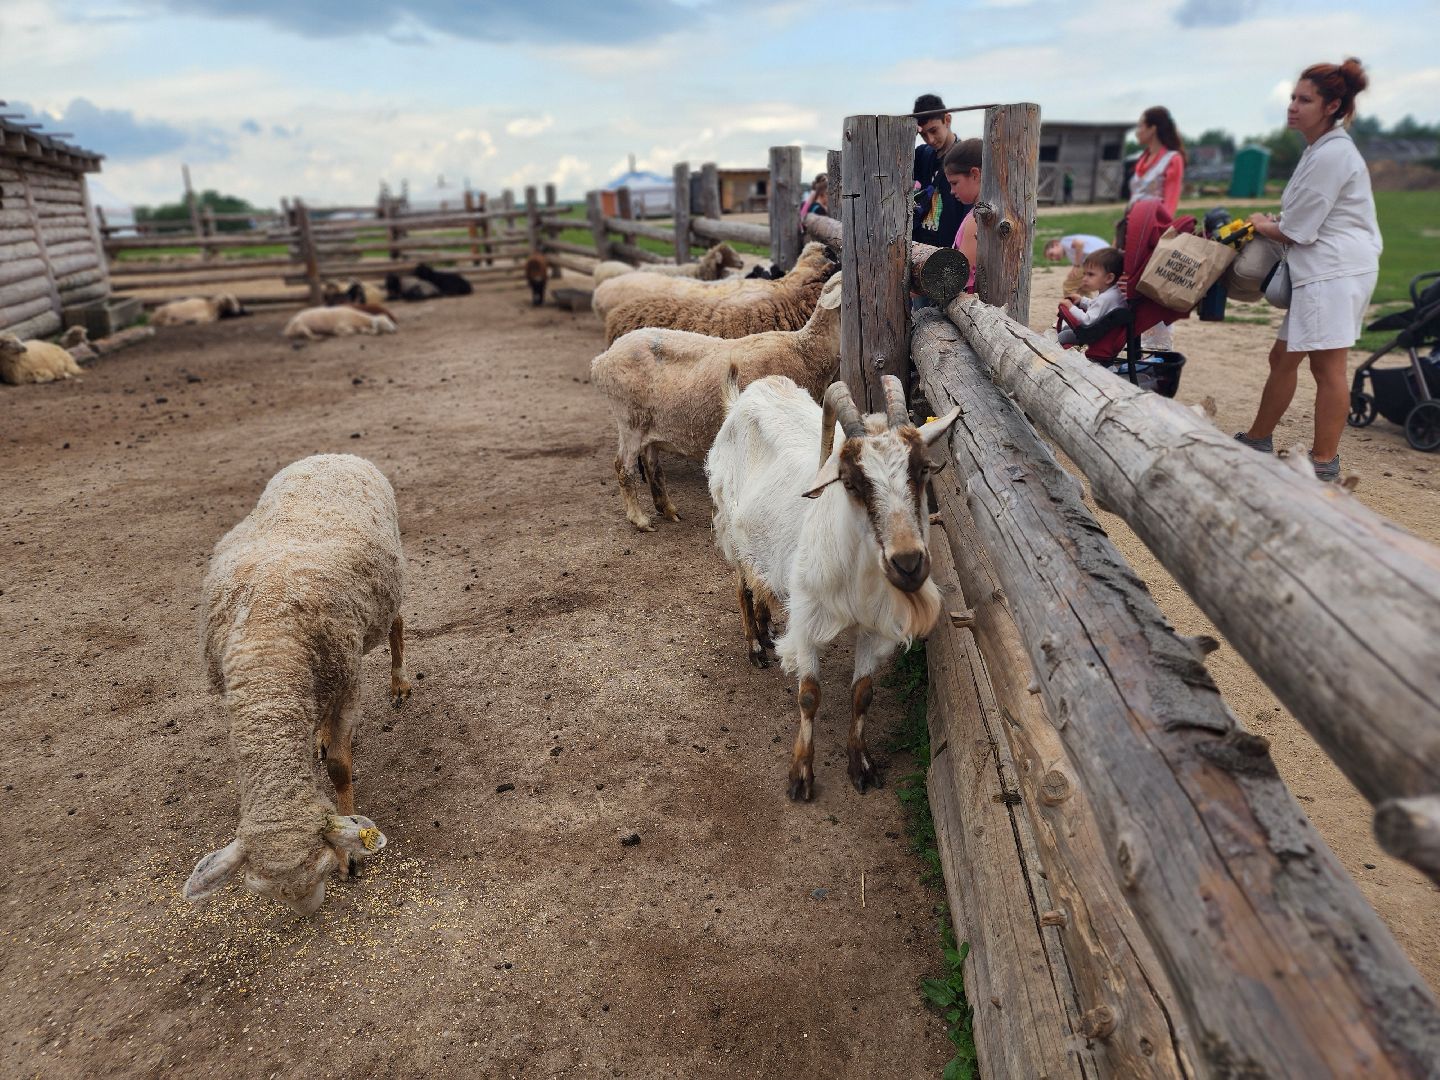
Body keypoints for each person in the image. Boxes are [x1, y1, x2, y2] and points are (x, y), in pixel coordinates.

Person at [1235, 58, 1381, 482]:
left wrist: (1263, 224)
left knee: (1328, 367)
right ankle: (1259, 439)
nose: (1293, 106)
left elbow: (1298, 229)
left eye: (1305, 99)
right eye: (1293, 98)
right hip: (1323, 269)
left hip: (1336, 271)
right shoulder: (1318, 149)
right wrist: (1274, 220)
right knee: (1282, 357)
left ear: (1333, 105)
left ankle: (1323, 464)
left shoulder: (1333, 154)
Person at [1125, 107, 1186, 350]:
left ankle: (1157, 351)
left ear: (1153, 129)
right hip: (1131, 231)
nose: (1138, 131)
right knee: (1127, 289)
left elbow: (1169, 204)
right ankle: (1132, 346)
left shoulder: (1172, 159)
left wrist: (1159, 237)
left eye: (1141, 126)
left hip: (1153, 234)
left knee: (1153, 292)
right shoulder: (1142, 160)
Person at [911, 94, 968, 247]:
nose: (930, 139)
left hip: (948, 249)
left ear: (947, 120)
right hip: (919, 246)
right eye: (923, 134)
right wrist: (907, 132)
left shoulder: (965, 158)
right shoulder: (922, 154)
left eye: (934, 130)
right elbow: (894, 164)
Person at [1057, 248, 1125, 346]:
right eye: (1084, 274)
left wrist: (1070, 307)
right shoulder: (1112, 292)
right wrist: (1082, 300)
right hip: (1105, 331)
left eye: (1090, 275)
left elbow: (1087, 321)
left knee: (1062, 336)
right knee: (1066, 329)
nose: (1084, 279)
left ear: (1109, 278)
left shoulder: (1105, 298)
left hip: (1097, 335)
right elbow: (1098, 307)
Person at [943, 139, 983, 293]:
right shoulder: (977, 215)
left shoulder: (976, 219)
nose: (952, 191)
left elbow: (960, 274)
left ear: (975, 174)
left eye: (954, 183)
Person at [1044, 233, 1110, 295]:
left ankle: (1073, 303)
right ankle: (1084, 302)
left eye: (1052, 254)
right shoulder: (1068, 251)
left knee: (1069, 285)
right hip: (1102, 256)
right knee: (1082, 285)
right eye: (1052, 259)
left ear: (1055, 244)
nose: (1054, 258)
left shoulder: (1064, 242)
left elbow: (1079, 243)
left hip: (1101, 256)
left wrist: (1076, 265)